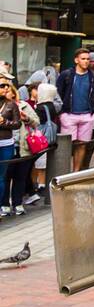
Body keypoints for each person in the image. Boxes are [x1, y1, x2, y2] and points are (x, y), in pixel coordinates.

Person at [56, 48, 94, 170]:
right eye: (83, 59)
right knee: (66, 145)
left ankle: (75, 172)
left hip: (87, 115)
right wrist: (62, 114)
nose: (86, 61)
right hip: (69, 114)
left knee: (82, 145)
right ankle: (64, 171)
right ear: (76, 60)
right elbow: (58, 94)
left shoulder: (93, 77)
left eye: (88, 59)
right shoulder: (66, 75)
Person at [2, 83, 40, 216]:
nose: (5, 92)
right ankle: (5, 204)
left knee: (20, 177)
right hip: (7, 145)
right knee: (5, 177)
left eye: (7, 91)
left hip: (23, 146)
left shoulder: (24, 105)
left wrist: (27, 118)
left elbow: (36, 121)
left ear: (13, 93)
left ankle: (17, 203)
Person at [30, 81, 60, 198]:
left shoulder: (41, 107)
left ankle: (40, 184)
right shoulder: (52, 106)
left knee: (40, 162)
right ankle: (42, 183)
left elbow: (36, 121)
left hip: (41, 137)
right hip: (50, 137)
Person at [0, 82, 23, 220]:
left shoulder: (11, 104)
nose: (6, 89)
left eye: (7, 86)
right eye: (2, 86)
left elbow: (17, 124)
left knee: (1, 177)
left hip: (5, 143)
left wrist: (4, 122)